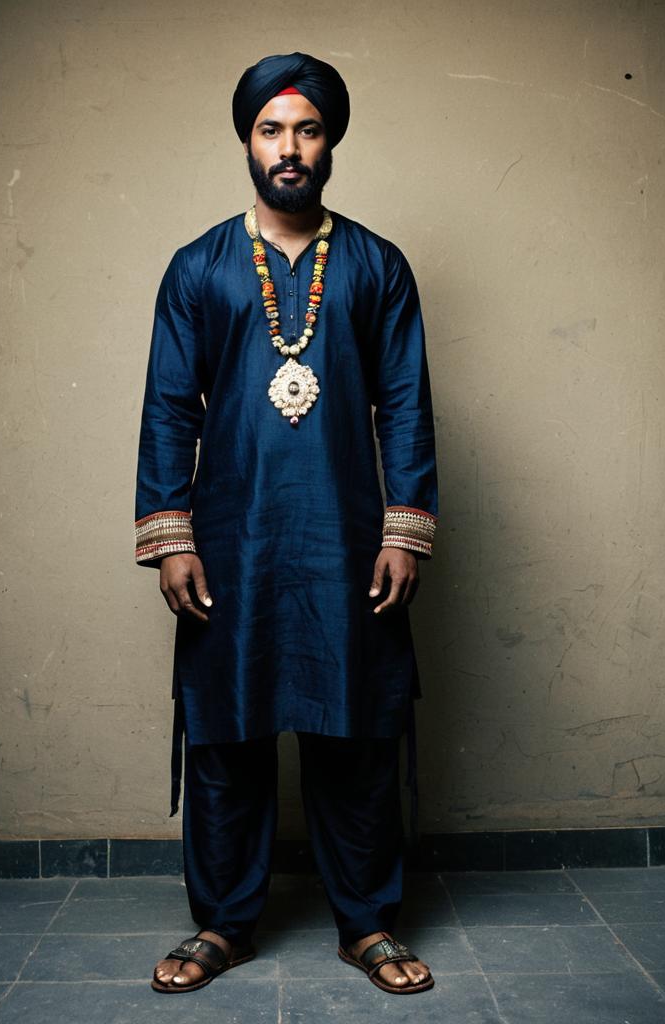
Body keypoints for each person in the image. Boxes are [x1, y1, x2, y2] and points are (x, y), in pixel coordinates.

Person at [135, 51, 439, 996]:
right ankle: (222, 925)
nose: (290, 147)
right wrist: (172, 535)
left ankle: (367, 924)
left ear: (330, 142)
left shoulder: (377, 265)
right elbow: (168, 407)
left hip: (347, 536)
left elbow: (405, 402)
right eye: (272, 130)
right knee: (227, 733)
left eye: (307, 129)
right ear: (247, 141)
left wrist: (403, 527)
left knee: (355, 733)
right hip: (233, 538)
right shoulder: (199, 266)